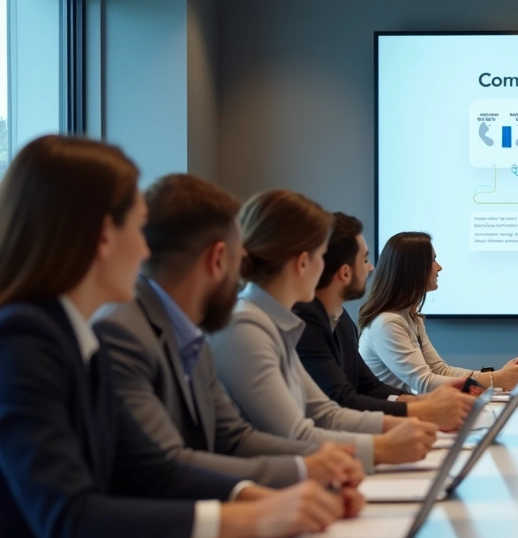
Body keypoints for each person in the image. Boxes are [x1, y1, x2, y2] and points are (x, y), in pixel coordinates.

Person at [0, 137, 359, 538]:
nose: (147, 251)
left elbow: (154, 469)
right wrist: (246, 518)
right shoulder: (25, 338)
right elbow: (70, 519)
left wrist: (266, 501)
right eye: (138, 228)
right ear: (102, 237)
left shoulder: (73, 335)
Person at [95, 174, 364, 488]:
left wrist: (326, 462)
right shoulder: (123, 331)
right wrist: (305, 472)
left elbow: (233, 437)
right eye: (239, 261)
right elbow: (166, 464)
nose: (241, 277)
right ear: (218, 259)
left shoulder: (190, 333)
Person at [209, 190, 444, 472]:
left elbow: (324, 413)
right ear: (303, 262)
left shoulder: (273, 321)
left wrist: (410, 420)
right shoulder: (246, 326)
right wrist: (385, 445)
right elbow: (297, 434)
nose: (326, 269)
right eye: (322, 256)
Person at [293, 212, 473, 430]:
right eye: (365, 260)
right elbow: (341, 399)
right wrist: (418, 410)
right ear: (345, 273)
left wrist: (418, 403)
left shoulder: (341, 320)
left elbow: (368, 386)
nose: (371, 268)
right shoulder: (307, 322)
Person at [358, 232, 518, 394]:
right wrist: (495, 379)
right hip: (394, 420)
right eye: (433, 260)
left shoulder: (411, 317)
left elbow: (441, 371)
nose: (439, 267)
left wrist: (497, 377)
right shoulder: (387, 323)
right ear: (414, 268)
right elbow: (424, 383)